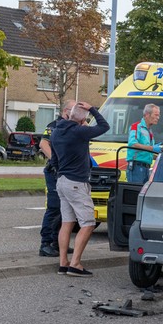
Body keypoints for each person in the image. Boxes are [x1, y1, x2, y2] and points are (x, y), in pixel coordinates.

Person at [51, 101, 110, 277]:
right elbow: (104, 126)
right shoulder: (79, 132)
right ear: (83, 119)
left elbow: (54, 159)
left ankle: (63, 263)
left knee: (67, 222)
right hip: (76, 182)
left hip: (62, 180)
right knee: (88, 223)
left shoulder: (56, 132)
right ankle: (75, 264)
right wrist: (93, 108)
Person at [38, 99, 75, 257]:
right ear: (66, 111)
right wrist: (57, 161)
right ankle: (45, 244)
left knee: (65, 208)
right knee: (54, 207)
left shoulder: (74, 127)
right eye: (75, 110)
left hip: (68, 173)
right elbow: (43, 144)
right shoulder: (55, 126)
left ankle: (58, 242)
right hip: (55, 172)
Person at [126, 104, 161, 183]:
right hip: (136, 167)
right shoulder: (136, 127)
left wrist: (160, 157)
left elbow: (146, 152)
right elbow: (133, 144)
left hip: (145, 168)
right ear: (147, 115)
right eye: (156, 115)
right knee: (136, 193)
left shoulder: (149, 131)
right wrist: (152, 148)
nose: (158, 118)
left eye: (159, 115)